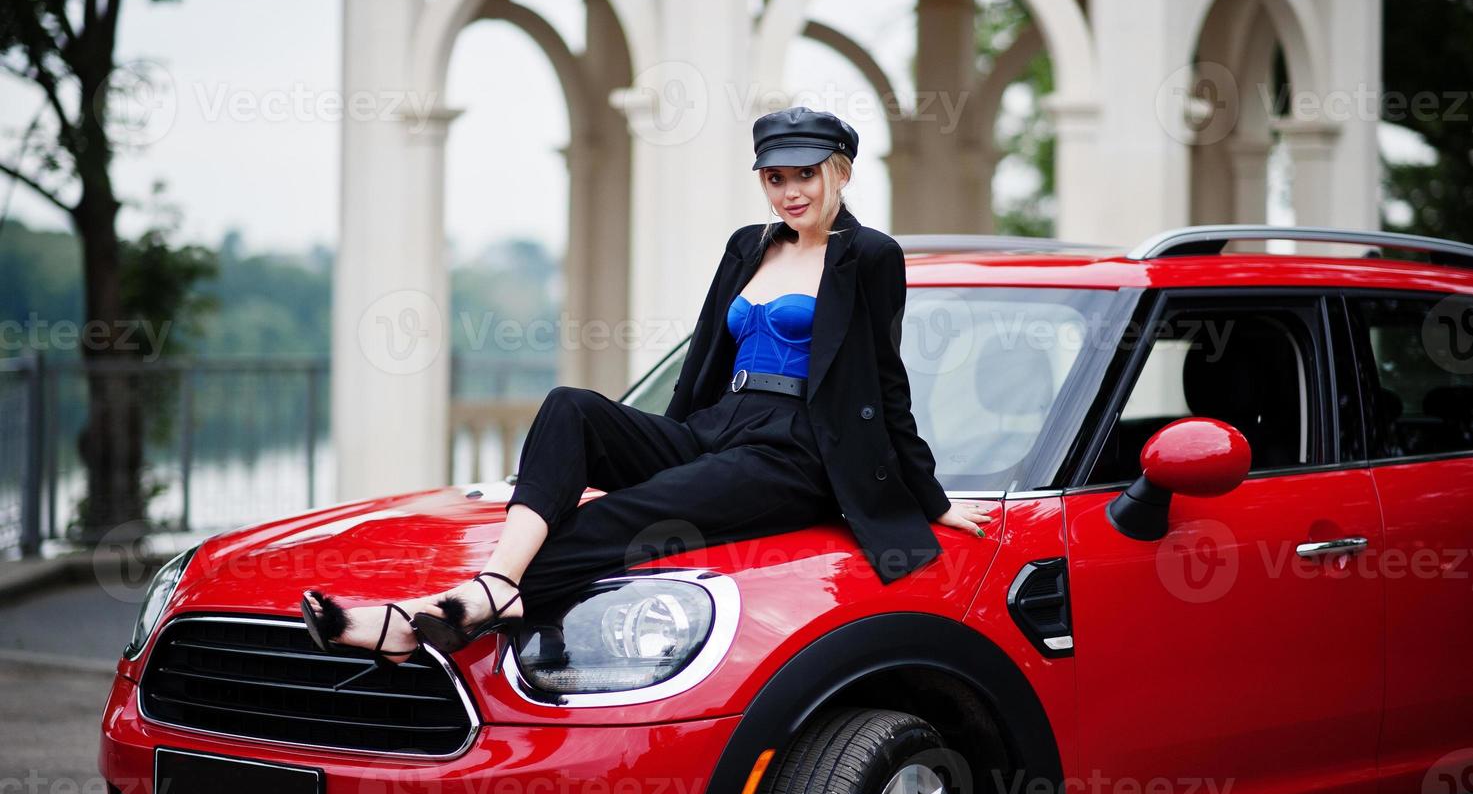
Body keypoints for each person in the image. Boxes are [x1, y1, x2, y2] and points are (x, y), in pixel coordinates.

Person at [301, 106, 993, 664]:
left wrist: (924, 496)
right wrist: (667, 439)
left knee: (613, 520)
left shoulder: (869, 255)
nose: (790, 192)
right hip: (717, 427)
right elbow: (705, 358)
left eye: (805, 175)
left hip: (794, 452)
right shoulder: (748, 244)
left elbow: (884, 378)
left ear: (839, 172)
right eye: (774, 177)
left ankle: (425, 616)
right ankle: (499, 584)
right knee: (570, 407)